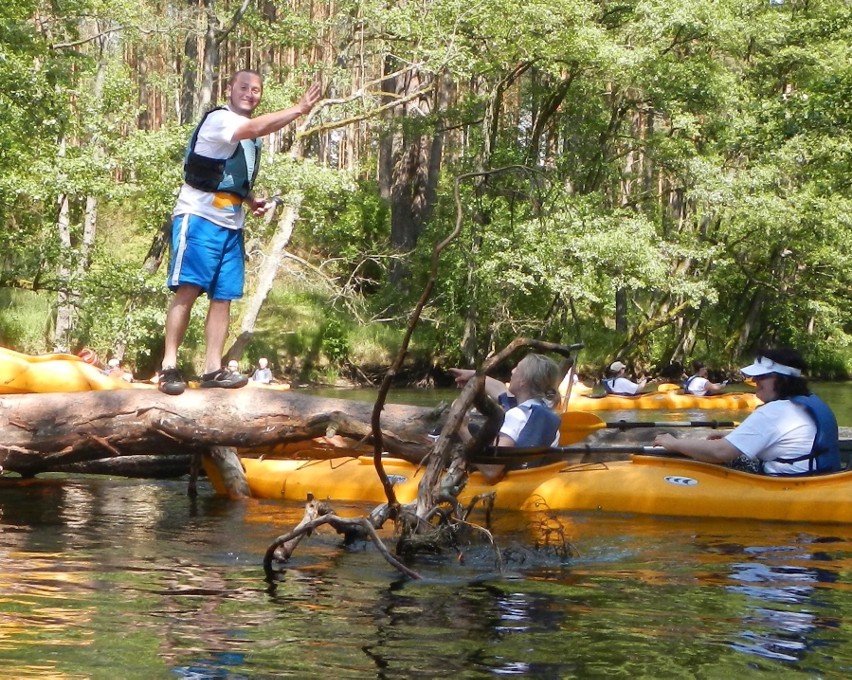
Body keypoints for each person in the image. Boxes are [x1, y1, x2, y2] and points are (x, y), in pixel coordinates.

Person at [158, 70, 322, 395]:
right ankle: (168, 367)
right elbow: (255, 126)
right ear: (230, 88)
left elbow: (225, 176)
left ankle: (212, 369)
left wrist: (249, 199)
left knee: (223, 298)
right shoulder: (221, 119)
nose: (250, 93)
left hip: (231, 224)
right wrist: (299, 109)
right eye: (244, 87)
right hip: (199, 216)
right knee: (188, 290)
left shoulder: (250, 139)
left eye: (256, 89)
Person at [653, 348, 840, 475]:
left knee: (700, 458)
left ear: (782, 380)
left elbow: (720, 452)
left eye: (761, 376)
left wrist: (674, 443)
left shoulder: (775, 412)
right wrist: (733, 436)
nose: (754, 381)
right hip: (815, 474)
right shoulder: (804, 402)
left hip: (785, 482)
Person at [450, 353, 562, 448]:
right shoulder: (543, 410)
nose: (512, 371)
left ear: (523, 381)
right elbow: (501, 391)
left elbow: (491, 469)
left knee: (472, 429)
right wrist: (474, 375)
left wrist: (462, 429)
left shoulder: (516, 416)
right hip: (536, 471)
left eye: (517, 368)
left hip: (508, 473)